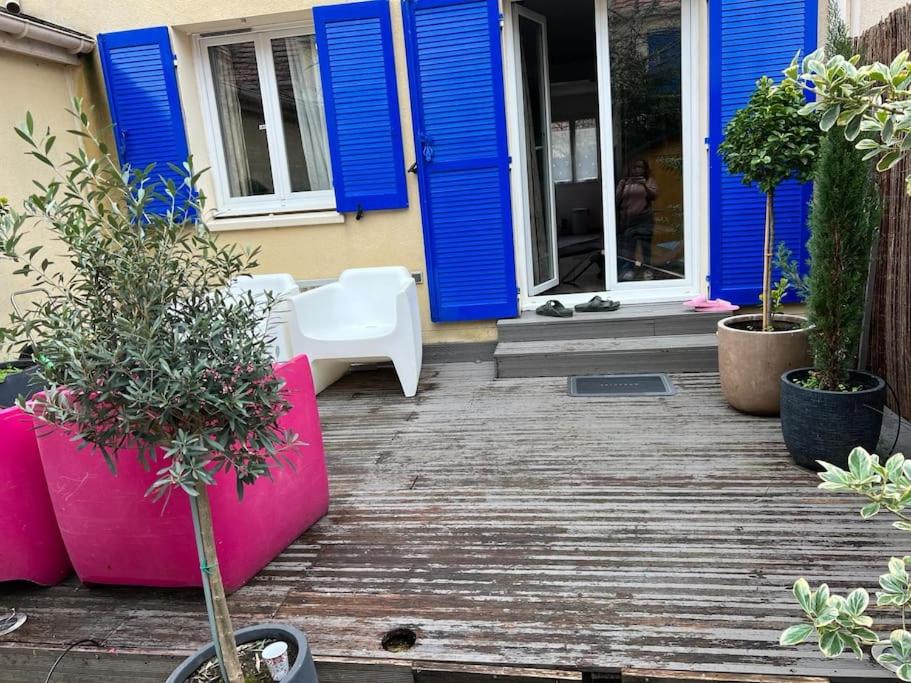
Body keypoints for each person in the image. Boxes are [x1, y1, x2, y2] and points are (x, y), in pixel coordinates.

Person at [616, 159, 658, 281]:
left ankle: (647, 269)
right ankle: (629, 269)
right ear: (630, 169)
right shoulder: (623, 182)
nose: (637, 170)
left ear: (645, 169)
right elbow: (615, 201)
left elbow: (654, 196)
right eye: (634, 167)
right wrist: (623, 185)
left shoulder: (649, 181)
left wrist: (644, 185)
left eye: (640, 167)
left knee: (646, 246)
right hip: (628, 219)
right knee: (629, 246)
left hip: (645, 219)